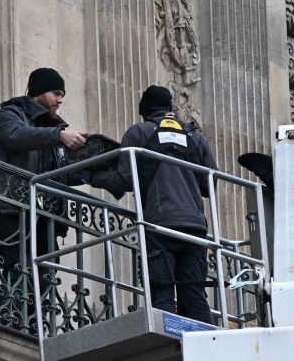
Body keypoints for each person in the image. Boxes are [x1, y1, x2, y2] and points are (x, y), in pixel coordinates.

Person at [91, 85, 217, 324]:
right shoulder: (194, 137)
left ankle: (169, 346)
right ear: (170, 110)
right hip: (195, 228)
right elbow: (209, 185)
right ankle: (206, 350)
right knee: (195, 297)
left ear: (144, 112)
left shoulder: (139, 133)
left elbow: (126, 179)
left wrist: (92, 175)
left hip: (160, 225)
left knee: (162, 294)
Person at [0, 67, 87, 331]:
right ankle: (14, 326)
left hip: (43, 214)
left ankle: (36, 327)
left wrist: (105, 167)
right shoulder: (10, 114)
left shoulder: (53, 130)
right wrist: (58, 136)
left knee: (44, 274)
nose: (60, 100)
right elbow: (16, 137)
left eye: (62, 95)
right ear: (40, 91)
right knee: (17, 269)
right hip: (12, 209)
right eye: (56, 93)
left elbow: (61, 173)